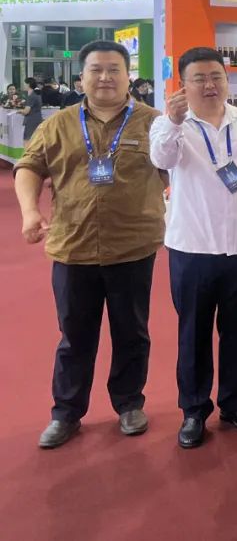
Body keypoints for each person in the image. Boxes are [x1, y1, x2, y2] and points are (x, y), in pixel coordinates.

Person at [14, 40, 166, 449]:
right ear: (81, 78)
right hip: (73, 246)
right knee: (74, 336)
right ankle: (66, 412)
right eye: (96, 69)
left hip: (132, 246)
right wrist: (29, 211)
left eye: (114, 69)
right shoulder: (58, 124)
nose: (105, 77)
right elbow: (29, 167)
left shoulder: (154, 123)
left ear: (128, 76)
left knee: (132, 333)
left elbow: (179, 172)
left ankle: (129, 404)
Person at [150, 47, 237, 449]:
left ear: (226, 79)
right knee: (193, 334)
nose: (209, 85)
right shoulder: (168, 124)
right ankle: (193, 410)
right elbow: (161, 158)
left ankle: (234, 402)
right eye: (199, 78)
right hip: (193, 248)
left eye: (216, 77)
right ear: (183, 85)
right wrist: (173, 122)